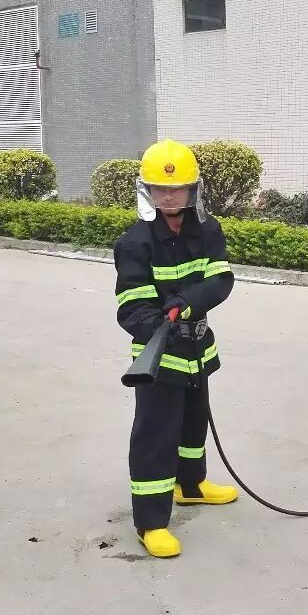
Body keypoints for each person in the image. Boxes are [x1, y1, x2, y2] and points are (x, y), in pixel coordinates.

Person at [114, 139, 240, 559]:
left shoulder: (208, 230)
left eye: (177, 188)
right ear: (147, 190)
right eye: (160, 188)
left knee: (192, 425)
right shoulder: (134, 242)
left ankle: (191, 485)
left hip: (197, 349)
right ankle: (150, 522)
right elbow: (131, 306)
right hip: (159, 357)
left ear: (192, 189)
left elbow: (220, 279)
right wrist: (160, 326)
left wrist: (186, 302)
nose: (169, 196)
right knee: (155, 436)